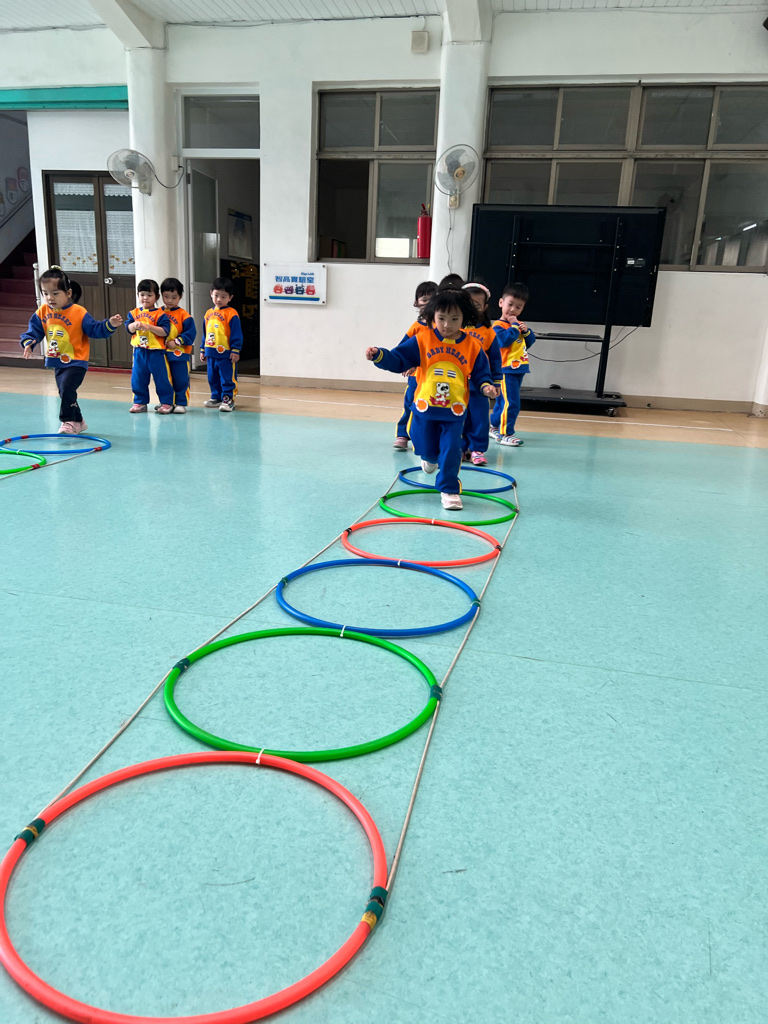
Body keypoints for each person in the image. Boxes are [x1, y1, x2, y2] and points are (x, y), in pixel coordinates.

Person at [366, 288, 496, 511]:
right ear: (432, 315)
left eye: (454, 319)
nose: (447, 325)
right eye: (441, 318)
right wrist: (380, 355)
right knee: (424, 445)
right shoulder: (422, 340)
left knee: (452, 449)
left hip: (454, 411)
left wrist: (486, 387)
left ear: (464, 318)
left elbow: (482, 373)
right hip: (425, 408)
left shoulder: (472, 346)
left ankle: (449, 489)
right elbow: (399, 359)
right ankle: (429, 456)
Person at [20, 266, 122, 434]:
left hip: (77, 360)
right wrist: (29, 343)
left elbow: (95, 329)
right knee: (65, 392)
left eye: (55, 293)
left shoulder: (78, 312)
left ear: (68, 293)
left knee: (67, 388)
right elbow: (34, 331)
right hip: (57, 361)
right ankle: (79, 421)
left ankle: (67, 421)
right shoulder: (42, 312)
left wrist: (110, 324)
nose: (50, 298)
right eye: (45, 293)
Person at [460, 281, 504, 466]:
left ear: (485, 307)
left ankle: (477, 449)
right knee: (458, 417)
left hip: (480, 386)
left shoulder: (488, 332)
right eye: (468, 303)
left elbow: (495, 359)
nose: (472, 308)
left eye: (477, 305)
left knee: (479, 419)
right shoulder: (453, 329)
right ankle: (460, 448)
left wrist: (496, 382)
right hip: (457, 385)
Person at [490, 282, 536, 447]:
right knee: (512, 403)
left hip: (518, 369)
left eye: (518, 307)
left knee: (503, 402)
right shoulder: (498, 326)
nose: (512, 310)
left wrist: (527, 332)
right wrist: (515, 327)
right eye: (510, 304)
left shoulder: (517, 326)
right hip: (505, 370)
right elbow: (503, 341)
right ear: (501, 303)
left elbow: (529, 343)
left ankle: (494, 425)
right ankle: (505, 433)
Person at [393, 280, 438, 451]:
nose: (428, 303)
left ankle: (427, 438)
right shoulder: (416, 327)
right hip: (416, 378)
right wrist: (410, 364)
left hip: (434, 378)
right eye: (424, 299)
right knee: (410, 403)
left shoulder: (442, 327)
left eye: (432, 299)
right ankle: (403, 435)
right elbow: (402, 349)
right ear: (416, 303)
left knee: (432, 407)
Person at [126, 279, 173, 414]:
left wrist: (150, 327)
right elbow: (128, 329)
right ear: (138, 295)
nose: (145, 298)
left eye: (149, 295)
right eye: (142, 294)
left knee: (161, 378)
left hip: (156, 352)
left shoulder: (160, 314)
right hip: (139, 352)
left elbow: (165, 331)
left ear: (156, 297)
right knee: (138, 378)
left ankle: (166, 402)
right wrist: (134, 325)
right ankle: (140, 402)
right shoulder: (134, 313)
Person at [200, 277, 242, 412]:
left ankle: (228, 399)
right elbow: (205, 333)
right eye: (216, 295)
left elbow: (236, 333)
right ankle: (216, 397)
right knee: (212, 377)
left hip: (226, 354)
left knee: (227, 377)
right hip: (210, 352)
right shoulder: (208, 313)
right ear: (211, 293)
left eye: (223, 297)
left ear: (230, 298)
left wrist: (235, 350)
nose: (219, 299)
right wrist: (202, 349)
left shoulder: (232, 313)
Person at [160, 277, 196, 415]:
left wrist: (177, 342)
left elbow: (191, 333)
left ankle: (181, 402)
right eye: (166, 296)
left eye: (174, 297)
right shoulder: (158, 313)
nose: (170, 300)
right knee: (164, 379)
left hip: (179, 354)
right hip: (161, 354)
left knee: (181, 379)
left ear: (180, 297)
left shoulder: (184, 315)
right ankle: (166, 402)